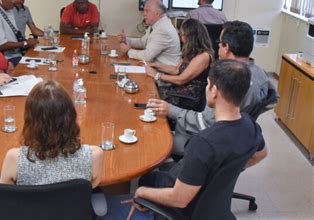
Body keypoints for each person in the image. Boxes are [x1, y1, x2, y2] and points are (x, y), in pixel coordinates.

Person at [105, 60, 268, 219]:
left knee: (132, 190)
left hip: (186, 207)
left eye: (207, 84)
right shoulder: (250, 125)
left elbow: (179, 199)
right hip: (212, 205)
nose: (206, 88)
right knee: (150, 177)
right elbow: (262, 154)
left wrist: (140, 192)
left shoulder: (204, 143)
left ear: (215, 91)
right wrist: (222, 176)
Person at [148, 20, 278, 156]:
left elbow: (204, 123)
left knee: (154, 141)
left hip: (208, 141)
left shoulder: (225, 78)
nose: (218, 46)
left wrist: (170, 109)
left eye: (219, 42)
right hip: (234, 140)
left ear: (226, 47)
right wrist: (245, 120)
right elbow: (273, 99)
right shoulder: (262, 75)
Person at [0, 80, 104, 188]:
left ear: (30, 120)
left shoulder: (14, 159)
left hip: (32, 205)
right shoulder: (94, 156)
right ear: (71, 116)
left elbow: (5, 196)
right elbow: (88, 189)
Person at [145, 19, 213, 111]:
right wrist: (154, 65)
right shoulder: (192, 52)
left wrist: (157, 75)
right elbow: (176, 69)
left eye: (183, 35)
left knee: (153, 96)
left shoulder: (203, 56)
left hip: (189, 97)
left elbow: (181, 79)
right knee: (152, 91)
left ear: (191, 36)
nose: (181, 38)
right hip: (180, 90)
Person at [119, 0, 181, 65]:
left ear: (157, 13)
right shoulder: (156, 24)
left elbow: (147, 56)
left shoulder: (163, 30)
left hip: (166, 71)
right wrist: (126, 39)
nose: (144, 14)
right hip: (155, 66)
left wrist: (128, 51)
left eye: (147, 11)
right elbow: (143, 42)